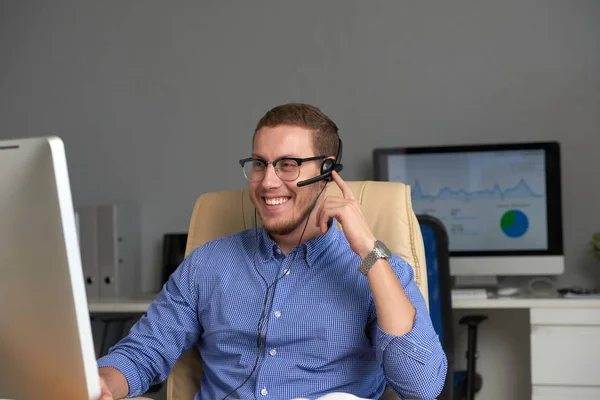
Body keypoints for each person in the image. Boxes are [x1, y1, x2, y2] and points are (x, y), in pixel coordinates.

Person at [97, 103, 448, 400]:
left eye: (287, 165)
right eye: (260, 164)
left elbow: (421, 387)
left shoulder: (382, 270)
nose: (268, 182)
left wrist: (369, 252)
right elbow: (143, 352)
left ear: (326, 171)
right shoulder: (207, 265)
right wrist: (102, 385)